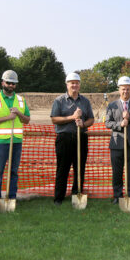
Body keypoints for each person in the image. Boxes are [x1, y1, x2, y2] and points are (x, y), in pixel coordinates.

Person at [0, 70, 30, 210]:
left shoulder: (21, 100)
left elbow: (27, 120)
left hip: (16, 141)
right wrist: (8, 118)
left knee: (14, 171)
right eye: (8, 82)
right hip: (0, 142)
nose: (11, 85)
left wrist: (18, 114)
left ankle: (11, 198)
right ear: (2, 83)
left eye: (13, 83)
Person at [50, 72, 95, 206]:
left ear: (79, 85)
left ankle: (77, 193)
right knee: (62, 168)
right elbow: (54, 119)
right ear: (67, 84)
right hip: (64, 138)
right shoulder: (59, 100)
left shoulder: (85, 101)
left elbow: (91, 119)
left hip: (81, 137)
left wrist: (83, 124)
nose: (74, 85)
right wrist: (72, 117)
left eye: (77, 83)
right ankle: (59, 197)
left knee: (79, 168)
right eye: (72, 83)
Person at [105, 76, 130, 203]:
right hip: (117, 144)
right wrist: (120, 125)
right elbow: (107, 123)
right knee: (117, 171)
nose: (125, 92)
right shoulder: (112, 106)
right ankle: (117, 196)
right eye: (123, 89)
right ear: (119, 89)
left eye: (128, 89)